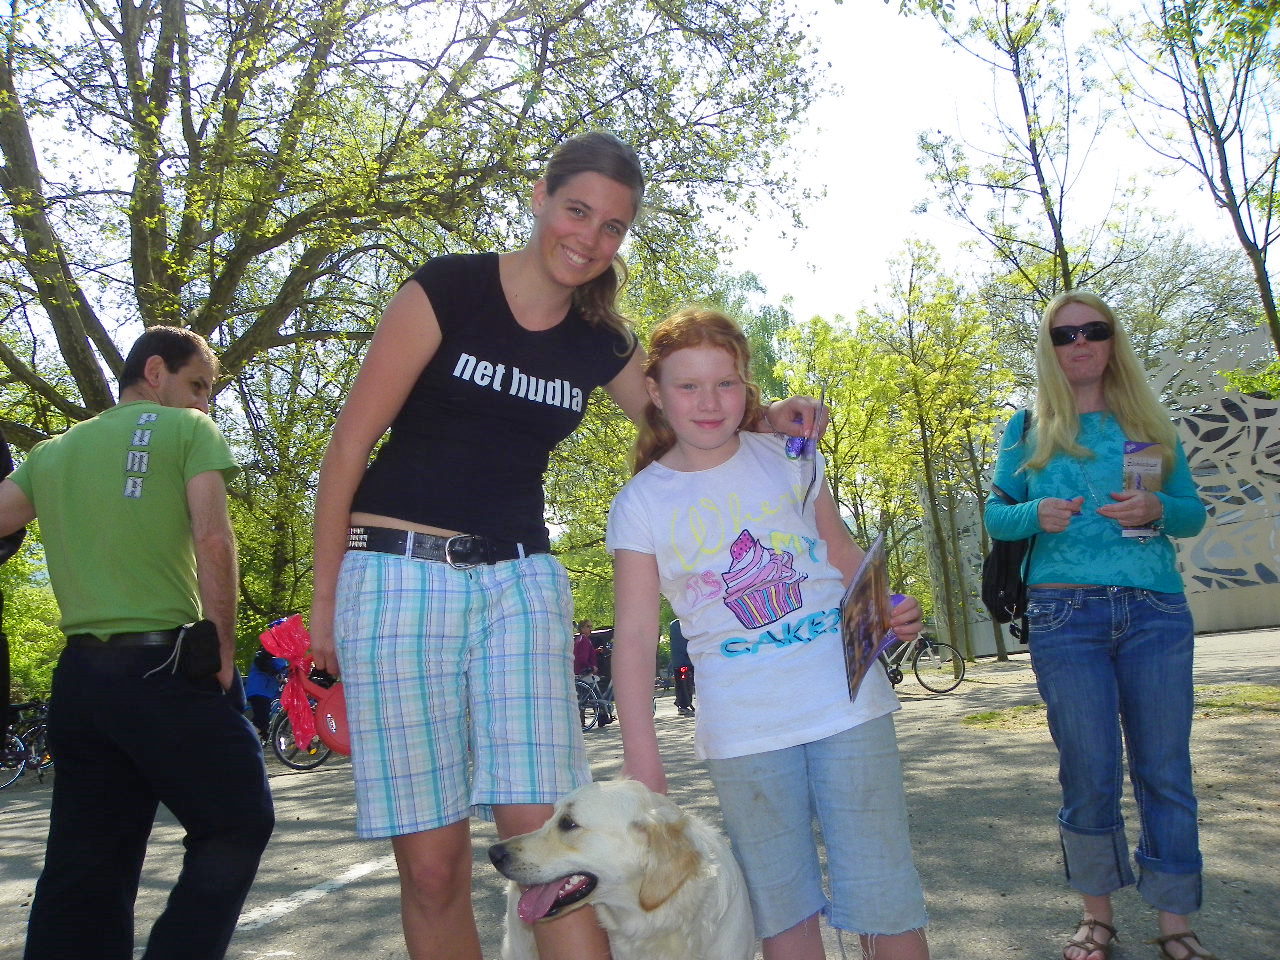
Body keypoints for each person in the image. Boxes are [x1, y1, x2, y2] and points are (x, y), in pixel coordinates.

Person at [306, 131, 822, 960]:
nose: (589, 237)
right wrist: (325, 599)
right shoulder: (449, 289)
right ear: (540, 195)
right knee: (433, 871)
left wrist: (767, 419)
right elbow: (347, 446)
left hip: (522, 586)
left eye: (613, 226)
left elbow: (684, 413)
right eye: (577, 210)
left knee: (554, 849)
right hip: (397, 577)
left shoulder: (600, 338)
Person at [607, 307, 930, 960]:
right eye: (688, 385)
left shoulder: (792, 458)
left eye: (725, 383)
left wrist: (889, 605)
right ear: (655, 393)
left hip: (849, 706)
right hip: (744, 733)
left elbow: (840, 552)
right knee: (782, 912)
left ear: (746, 387)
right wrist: (642, 755)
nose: (709, 402)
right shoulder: (640, 503)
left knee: (885, 897)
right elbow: (636, 638)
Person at [0, 326, 274, 960]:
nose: (205, 401)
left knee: (87, 859)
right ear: (155, 371)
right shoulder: (188, 430)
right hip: (161, 669)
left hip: (80, 682)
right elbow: (213, 539)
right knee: (237, 820)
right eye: (197, 384)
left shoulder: (53, 451)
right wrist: (223, 648)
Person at [984, 291, 1211, 960]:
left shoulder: (1148, 423)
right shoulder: (1028, 427)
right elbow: (998, 518)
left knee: (1164, 768)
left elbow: (1192, 514)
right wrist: (1035, 515)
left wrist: (1156, 507)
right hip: (1064, 615)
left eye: (1093, 330)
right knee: (1088, 768)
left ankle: (1176, 922)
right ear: (1049, 349)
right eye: (1064, 335)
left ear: (1113, 340)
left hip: (1155, 613)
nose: (1079, 342)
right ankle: (1096, 917)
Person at [573, 619, 612, 726]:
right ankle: (602, 717)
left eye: (591, 626)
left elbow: (583, 653)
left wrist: (596, 651)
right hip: (585, 671)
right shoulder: (584, 640)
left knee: (586, 695)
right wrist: (591, 667)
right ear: (582, 628)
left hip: (580, 671)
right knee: (595, 695)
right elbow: (582, 658)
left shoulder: (581, 639)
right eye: (588, 626)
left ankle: (587, 720)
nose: (590, 629)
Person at [246, 646, 288, 740]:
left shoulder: (281, 658)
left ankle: (259, 737)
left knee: (264, 724)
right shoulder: (264, 655)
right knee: (261, 722)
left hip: (267, 693)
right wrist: (276, 673)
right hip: (259, 691)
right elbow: (262, 664)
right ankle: (246, 738)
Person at [668, 617, 695, 715]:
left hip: (678, 661)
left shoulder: (674, 625)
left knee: (681, 683)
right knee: (687, 683)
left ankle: (681, 704)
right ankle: (683, 705)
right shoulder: (688, 623)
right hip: (687, 659)